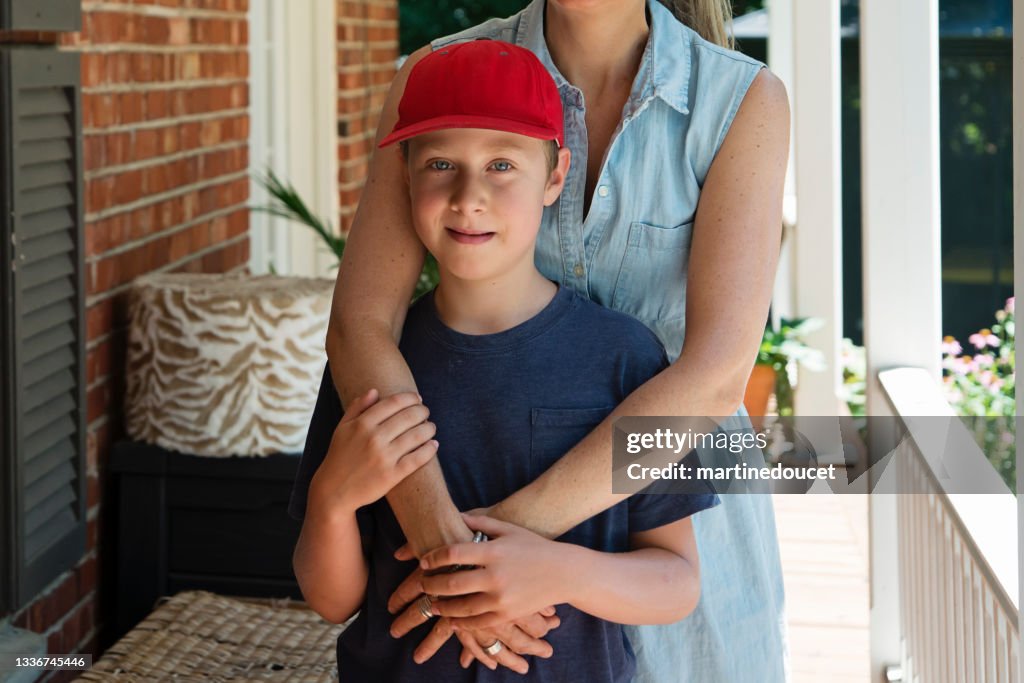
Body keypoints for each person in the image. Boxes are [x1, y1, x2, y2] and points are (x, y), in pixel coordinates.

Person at [291, 0, 790, 680]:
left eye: (501, 166)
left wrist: (481, 553)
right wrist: (450, 547)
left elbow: (714, 374)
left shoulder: (742, 98)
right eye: (444, 168)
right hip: (437, 514)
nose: (471, 190)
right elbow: (359, 327)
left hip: (670, 528)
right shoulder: (442, 76)